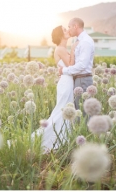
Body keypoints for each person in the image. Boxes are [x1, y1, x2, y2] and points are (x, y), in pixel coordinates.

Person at [32, 25, 75, 153]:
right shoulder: (61, 49)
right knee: (61, 112)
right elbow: (71, 65)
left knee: (64, 112)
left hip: (67, 82)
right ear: (60, 35)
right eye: (65, 30)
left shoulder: (62, 48)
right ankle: (50, 140)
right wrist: (74, 48)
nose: (68, 30)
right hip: (66, 83)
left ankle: (62, 139)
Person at [58, 18, 94, 113]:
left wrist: (64, 71)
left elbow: (82, 65)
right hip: (79, 80)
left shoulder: (85, 41)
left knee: (84, 113)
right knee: (80, 112)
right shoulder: (79, 41)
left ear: (75, 26)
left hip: (83, 80)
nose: (69, 29)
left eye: (69, 27)